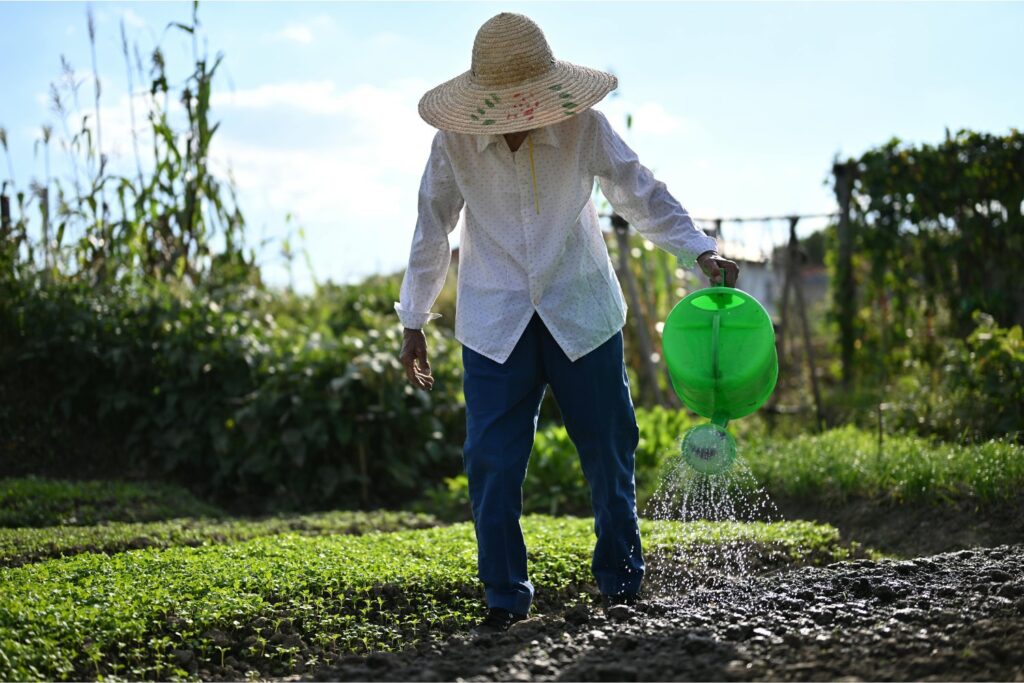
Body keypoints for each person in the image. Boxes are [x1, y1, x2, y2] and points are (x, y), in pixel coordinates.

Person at [394, 12, 739, 634]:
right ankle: (503, 596)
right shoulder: (454, 143)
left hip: (580, 308)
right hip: (495, 319)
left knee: (609, 447)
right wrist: (413, 318)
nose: (515, 116)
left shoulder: (585, 126)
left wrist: (699, 249)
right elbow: (432, 225)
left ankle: (621, 583)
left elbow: (638, 191)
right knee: (491, 460)